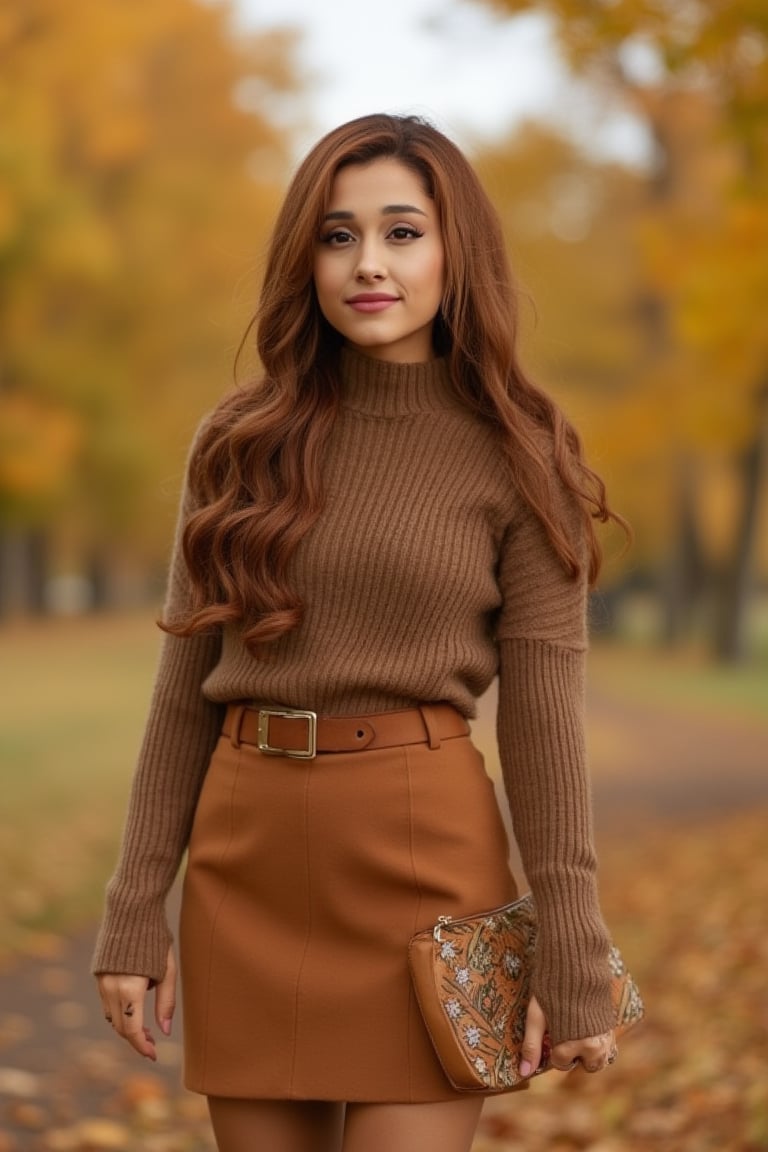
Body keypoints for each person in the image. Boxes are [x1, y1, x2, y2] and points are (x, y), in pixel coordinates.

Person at [93, 112, 627, 1152]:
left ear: (453, 251)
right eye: (337, 237)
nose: (367, 264)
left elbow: (545, 724)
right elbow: (178, 693)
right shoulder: (239, 438)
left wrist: (575, 948)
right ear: (306, 258)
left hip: (425, 864)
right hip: (246, 861)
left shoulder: (524, 451)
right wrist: (132, 908)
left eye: (402, 232)